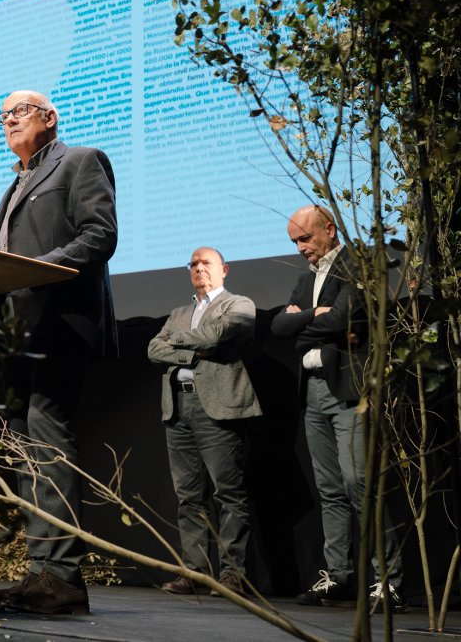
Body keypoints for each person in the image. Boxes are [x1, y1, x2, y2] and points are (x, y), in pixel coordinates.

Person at [0, 89, 117, 615]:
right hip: (16, 336)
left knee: (48, 440)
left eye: (20, 111)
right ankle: (39, 572)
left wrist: (39, 271)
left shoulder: (80, 161)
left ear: (50, 116)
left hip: (59, 326)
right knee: (23, 449)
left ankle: (62, 575)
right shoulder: (14, 183)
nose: (10, 121)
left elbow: (100, 236)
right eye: (4, 115)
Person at [270, 206, 405, 612]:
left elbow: (347, 317)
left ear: (329, 229)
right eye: (295, 241)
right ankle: (339, 577)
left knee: (359, 484)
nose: (301, 248)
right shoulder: (304, 279)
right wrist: (314, 316)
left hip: (348, 389)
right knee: (329, 490)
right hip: (311, 393)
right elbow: (278, 328)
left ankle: (388, 581)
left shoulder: (357, 265)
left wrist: (302, 323)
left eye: (306, 239)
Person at [147, 247, 258, 597]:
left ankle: (232, 575)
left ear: (223, 269)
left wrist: (176, 343)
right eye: (193, 264)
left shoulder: (239, 304)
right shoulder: (179, 312)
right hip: (179, 407)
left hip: (218, 406)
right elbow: (153, 349)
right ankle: (195, 573)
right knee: (189, 497)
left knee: (228, 494)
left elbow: (218, 336)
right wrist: (194, 349)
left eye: (205, 263)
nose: (198, 268)